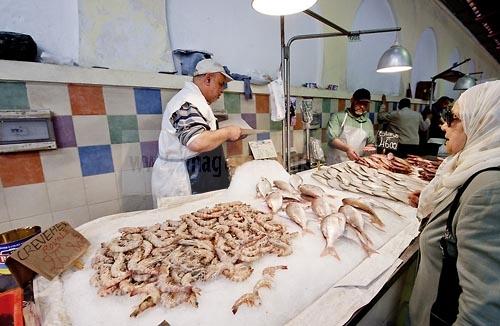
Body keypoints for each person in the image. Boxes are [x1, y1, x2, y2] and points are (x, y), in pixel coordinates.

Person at [408, 80, 500, 325]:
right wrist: (439, 206)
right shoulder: (466, 170)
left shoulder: (490, 189)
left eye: (454, 118)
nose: (444, 124)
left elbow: (482, 314)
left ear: (482, 121)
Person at [151, 59, 242, 204]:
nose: (222, 90)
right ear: (207, 79)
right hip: (182, 181)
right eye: (220, 84)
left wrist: (225, 135)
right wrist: (228, 132)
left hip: (196, 173)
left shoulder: (196, 101)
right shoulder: (186, 102)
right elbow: (196, 141)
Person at [326, 88, 376, 164]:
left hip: (357, 164)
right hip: (336, 163)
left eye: (365, 104)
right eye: (359, 103)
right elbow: (331, 139)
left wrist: (370, 148)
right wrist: (347, 149)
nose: (362, 106)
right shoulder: (338, 117)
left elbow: (370, 142)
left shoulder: (367, 122)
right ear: (352, 100)